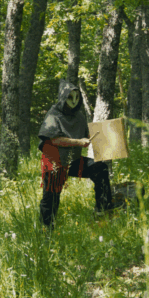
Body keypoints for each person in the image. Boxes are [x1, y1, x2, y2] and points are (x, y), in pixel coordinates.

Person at [37, 79, 121, 227]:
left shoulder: (79, 116)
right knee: (51, 195)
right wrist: (78, 142)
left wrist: (110, 135)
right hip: (54, 163)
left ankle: (103, 208)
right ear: (63, 97)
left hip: (73, 161)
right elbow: (53, 140)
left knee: (100, 168)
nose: (74, 101)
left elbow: (88, 134)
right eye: (70, 97)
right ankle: (46, 229)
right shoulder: (53, 115)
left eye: (76, 97)